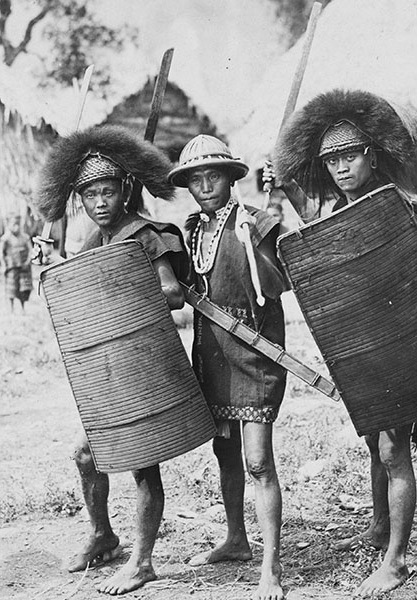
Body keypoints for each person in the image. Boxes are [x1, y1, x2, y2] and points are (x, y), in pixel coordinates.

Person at [265, 89, 417, 597]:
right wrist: (282, 185)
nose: (341, 168)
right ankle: (379, 529)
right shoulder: (331, 208)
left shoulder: (401, 207)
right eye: (331, 160)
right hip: (362, 346)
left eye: (350, 156)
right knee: (375, 440)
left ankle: (396, 560)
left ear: (371, 155)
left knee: (394, 449)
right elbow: (316, 230)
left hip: (399, 344)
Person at [36, 125, 188, 596]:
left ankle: (142, 562)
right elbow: (75, 293)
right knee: (87, 455)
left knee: (143, 465)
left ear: (125, 191)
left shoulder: (144, 234)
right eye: (89, 194)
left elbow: (172, 294)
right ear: (79, 200)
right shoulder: (90, 241)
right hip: (106, 370)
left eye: (107, 191)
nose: (99, 202)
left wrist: (125, 295)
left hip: (143, 363)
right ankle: (104, 535)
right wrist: (52, 265)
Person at [168, 134, 288, 600]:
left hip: (255, 355)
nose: (204, 186)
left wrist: (281, 204)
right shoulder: (192, 229)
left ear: (231, 178)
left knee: (257, 460)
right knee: (225, 454)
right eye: (195, 180)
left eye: (212, 176)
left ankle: (271, 568)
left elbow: (286, 276)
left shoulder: (257, 224)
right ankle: (236, 539)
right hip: (211, 353)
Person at [0, 215, 33, 312]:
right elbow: (0, 253)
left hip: (24, 266)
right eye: (13, 224)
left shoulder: (25, 237)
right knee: (11, 288)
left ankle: (22, 308)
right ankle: (11, 308)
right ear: (8, 225)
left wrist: (28, 261)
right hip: (11, 266)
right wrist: (4, 265)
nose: (15, 226)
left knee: (23, 288)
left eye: (17, 224)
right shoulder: (5, 238)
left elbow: (30, 250)